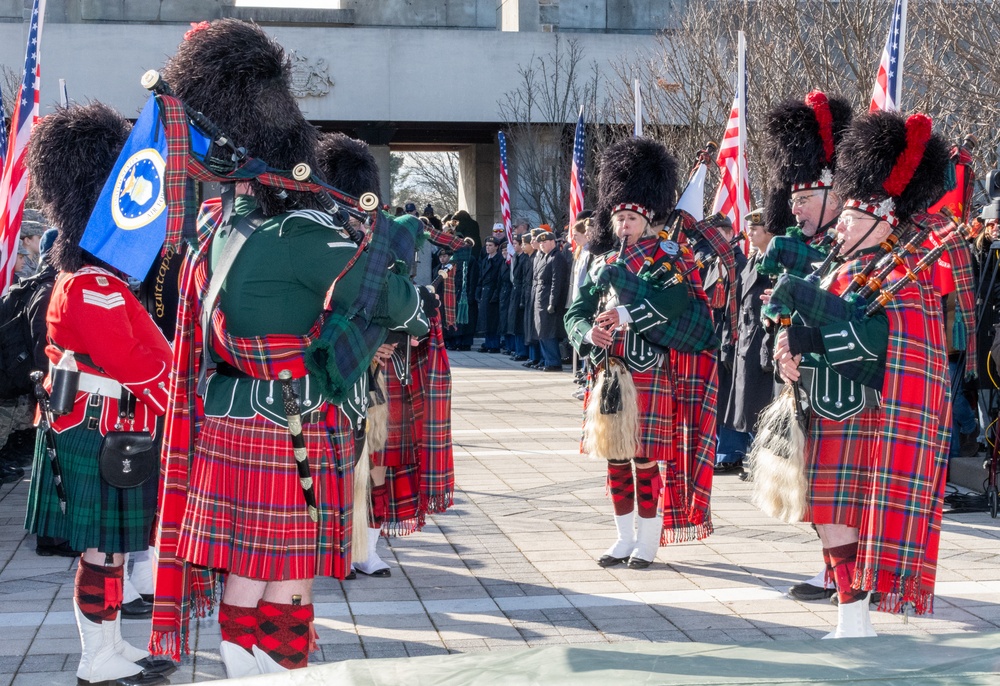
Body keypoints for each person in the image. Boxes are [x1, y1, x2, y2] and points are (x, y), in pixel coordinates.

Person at [149, 20, 429, 676]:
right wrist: (391, 246)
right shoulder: (302, 234)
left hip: (228, 414)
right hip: (291, 422)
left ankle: (243, 666)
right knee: (292, 569)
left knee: (246, 566)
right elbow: (398, 306)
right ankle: (278, 670)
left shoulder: (214, 226)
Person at [769, 109, 950, 638]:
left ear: (882, 219)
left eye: (850, 218)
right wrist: (791, 355)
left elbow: (877, 348)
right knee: (825, 513)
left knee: (843, 514)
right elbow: (812, 335)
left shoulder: (901, 276)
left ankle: (855, 617)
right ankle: (851, 614)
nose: (839, 225)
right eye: (841, 216)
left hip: (865, 417)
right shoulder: (836, 268)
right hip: (823, 407)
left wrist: (816, 328)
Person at [23, 103, 173, 686]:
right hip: (95, 424)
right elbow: (135, 363)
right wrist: (184, 404)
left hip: (103, 424)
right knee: (101, 550)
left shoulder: (94, 280)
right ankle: (95, 658)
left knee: (108, 550)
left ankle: (111, 645)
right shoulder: (91, 286)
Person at [565, 138, 717, 570]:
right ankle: (622, 538)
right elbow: (575, 310)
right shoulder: (602, 260)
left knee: (644, 457)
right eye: (619, 218)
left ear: (647, 217)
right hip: (607, 371)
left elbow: (672, 304)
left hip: (649, 371)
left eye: (631, 217)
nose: (625, 224)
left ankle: (648, 541)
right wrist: (585, 332)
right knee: (614, 455)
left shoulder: (668, 254)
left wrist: (625, 311)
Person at [758, 90, 854, 602]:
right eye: (791, 199)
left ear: (833, 197)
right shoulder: (786, 245)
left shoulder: (853, 245)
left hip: (843, 371)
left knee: (839, 479)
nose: (793, 206)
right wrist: (777, 332)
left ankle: (849, 575)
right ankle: (832, 571)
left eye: (803, 198)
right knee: (812, 475)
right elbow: (766, 305)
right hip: (798, 371)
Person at [722, 209, 779, 476]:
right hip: (746, 340)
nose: (750, 233)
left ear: (769, 232)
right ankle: (756, 459)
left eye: (756, 229)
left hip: (764, 341)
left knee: (763, 404)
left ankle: (763, 461)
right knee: (749, 406)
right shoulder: (753, 259)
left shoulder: (776, 262)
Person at [533, 230, 569, 371]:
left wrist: (552, 302)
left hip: (548, 298)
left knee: (548, 332)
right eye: (540, 242)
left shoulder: (556, 257)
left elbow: (557, 282)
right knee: (541, 331)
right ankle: (546, 359)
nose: (542, 245)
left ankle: (553, 361)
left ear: (553, 242)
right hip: (541, 297)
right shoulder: (544, 256)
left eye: (545, 242)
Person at [477, 236, 503, 352]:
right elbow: (480, 277)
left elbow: (499, 279)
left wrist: (495, 294)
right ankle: (488, 343)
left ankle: (494, 344)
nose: (488, 248)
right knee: (485, 320)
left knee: (493, 320)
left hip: (493, 291)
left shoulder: (499, 260)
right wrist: (477, 292)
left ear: (496, 247)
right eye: (487, 245)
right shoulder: (485, 260)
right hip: (484, 291)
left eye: (490, 245)